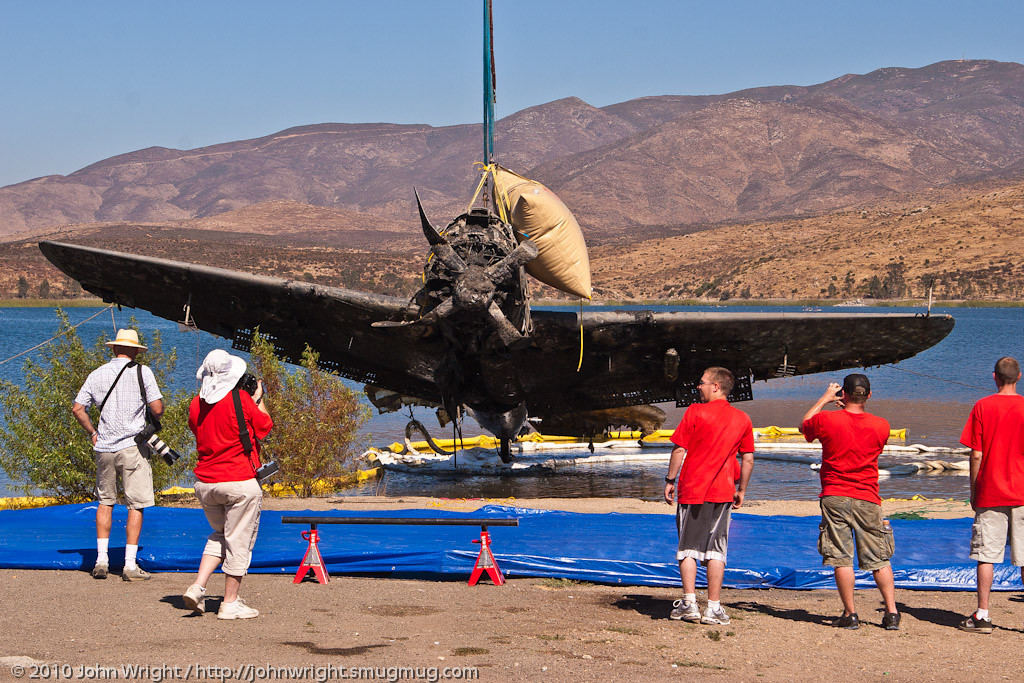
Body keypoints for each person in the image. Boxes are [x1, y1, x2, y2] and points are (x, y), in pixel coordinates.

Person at [800, 374, 899, 630]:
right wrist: (847, 407)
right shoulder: (882, 425)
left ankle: (850, 613)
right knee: (879, 558)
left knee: (842, 558)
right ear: (869, 395)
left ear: (842, 394)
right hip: (867, 495)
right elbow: (865, 441)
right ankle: (891, 613)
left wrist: (824, 398)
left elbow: (805, 427)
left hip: (835, 495)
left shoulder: (826, 420)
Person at [182, 349, 273, 619]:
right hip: (239, 481)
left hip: (206, 483)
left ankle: (198, 587)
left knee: (221, 535)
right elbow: (265, 427)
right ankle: (230, 603)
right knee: (239, 542)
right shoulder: (243, 399)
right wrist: (258, 400)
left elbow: (196, 429)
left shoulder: (196, 403)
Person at [664, 367, 754, 625]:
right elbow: (747, 459)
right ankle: (713, 607)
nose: (698, 387)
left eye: (702, 383)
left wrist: (670, 480)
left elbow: (680, 449)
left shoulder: (695, 412)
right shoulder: (743, 418)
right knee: (717, 550)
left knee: (687, 549)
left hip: (693, 488)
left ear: (716, 386)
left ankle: (689, 603)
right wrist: (742, 490)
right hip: (723, 491)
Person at [72, 328, 163, 581]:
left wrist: (93, 432)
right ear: (135, 351)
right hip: (133, 446)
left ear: (113, 348)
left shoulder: (97, 374)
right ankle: (130, 565)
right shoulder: (143, 372)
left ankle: (101, 560)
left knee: (105, 501)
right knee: (136, 504)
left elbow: (78, 408)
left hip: (104, 447)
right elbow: (157, 409)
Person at [957, 356, 1024, 634]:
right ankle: (982, 615)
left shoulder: (983, 406)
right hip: (1020, 492)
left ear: (994, 377)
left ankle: (983, 614)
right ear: (1018, 377)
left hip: (991, 491)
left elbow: (976, 454)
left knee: (987, 555)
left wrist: (974, 489)